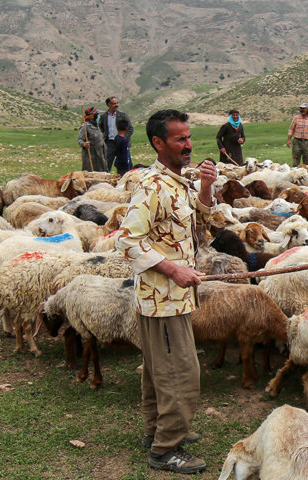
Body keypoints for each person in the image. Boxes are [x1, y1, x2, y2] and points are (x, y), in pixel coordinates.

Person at [116, 109, 217, 475]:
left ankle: (155, 431)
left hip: (173, 297)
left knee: (159, 370)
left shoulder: (177, 183)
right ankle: (165, 450)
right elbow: (127, 240)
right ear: (159, 143)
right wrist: (173, 269)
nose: (188, 145)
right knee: (181, 374)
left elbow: (200, 220)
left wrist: (206, 186)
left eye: (189, 137)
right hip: (163, 298)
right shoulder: (152, 186)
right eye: (179, 139)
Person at [99, 96, 134, 173]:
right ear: (108, 105)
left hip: (122, 143)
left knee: (124, 164)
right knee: (106, 164)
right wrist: (103, 137)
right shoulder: (103, 116)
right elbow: (100, 128)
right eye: (114, 103)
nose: (116, 105)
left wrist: (123, 138)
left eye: (117, 103)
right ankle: (105, 180)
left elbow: (130, 129)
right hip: (110, 143)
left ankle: (125, 179)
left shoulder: (123, 115)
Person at [286, 102, 308, 166]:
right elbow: (291, 129)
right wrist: (289, 139)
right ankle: (295, 174)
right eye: (300, 108)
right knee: (295, 160)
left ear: (307, 109)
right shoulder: (296, 118)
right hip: (297, 141)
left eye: (303, 108)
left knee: (307, 161)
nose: (301, 110)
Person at [77, 107, 107, 172]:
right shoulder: (85, 126)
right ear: (92, 116)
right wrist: (84, 144)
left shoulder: (97, 126)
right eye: (97, 115)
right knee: (91, 172)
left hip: (100, 153)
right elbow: (80, 140)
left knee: (102, 171)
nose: (98, 116)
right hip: (91, 154)